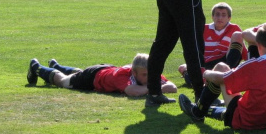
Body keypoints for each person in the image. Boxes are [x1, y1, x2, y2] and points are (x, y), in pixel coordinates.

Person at [178, 24, 266, 129]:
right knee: (237, 102)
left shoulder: (254, 65)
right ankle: (203, 110)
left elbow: (223, 79)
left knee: (220, 68)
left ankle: (197, 112)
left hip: (248, 121)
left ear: (258, 45)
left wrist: (206, 73)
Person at [26, 54, 176, 96]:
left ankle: (56, 66)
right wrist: (155, 88)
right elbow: (132, 91)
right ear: (134, 72)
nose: (149, 78)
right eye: (144, 75)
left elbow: (173, 87)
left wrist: (155, 85)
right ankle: (36, 67)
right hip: (92, 77)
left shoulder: (149, 72)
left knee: (77, 73)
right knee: (64, 82)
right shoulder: (123, 76)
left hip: (105, 69)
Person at [177, 2, 248, 86]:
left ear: (229, 18)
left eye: (223, 15)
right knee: (182, 68)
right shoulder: (204, 29)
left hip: (225, 61)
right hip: (207, 63)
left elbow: (243, 51)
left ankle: (227, 74)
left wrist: (255, 65)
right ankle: (202, 77)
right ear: (212, 17)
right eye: (217, 14)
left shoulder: (234, 28)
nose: (220, 18)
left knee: (238, 38)